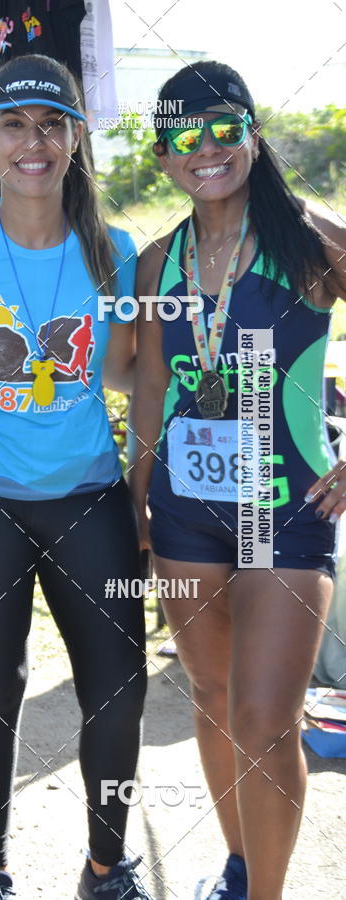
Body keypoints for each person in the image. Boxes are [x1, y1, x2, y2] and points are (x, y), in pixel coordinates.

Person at [0, 53, 152, 900]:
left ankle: (104, 866)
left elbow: (126, 373)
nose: (34, 142)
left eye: (52, 124)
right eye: (14, 124)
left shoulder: (113, 251)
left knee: (120, 691)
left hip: (88, 494)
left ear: (76, 136)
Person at [130, 61, 346, 900]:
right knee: (216, 699)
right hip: (186, 516)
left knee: (265, 719)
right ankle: (239, 867)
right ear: (165, 156)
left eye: (226, 128)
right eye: (187, 136)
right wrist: (137, 494)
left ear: (252, 132)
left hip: (287, 513)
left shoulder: (310, 239)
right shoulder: (159, 262)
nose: (208, 149)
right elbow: (150, 384)